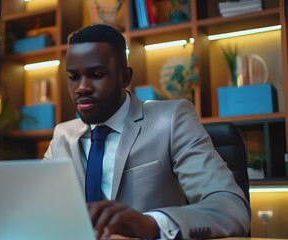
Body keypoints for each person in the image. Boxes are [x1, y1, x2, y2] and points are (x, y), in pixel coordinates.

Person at [43, 24, 250, 239]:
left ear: (125, 78)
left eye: (96, 74)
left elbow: (231, 209)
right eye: (74, 77)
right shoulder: (62, 136)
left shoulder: (171, 119)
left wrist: (152, 223)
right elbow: (36, 208)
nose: (81, 88)